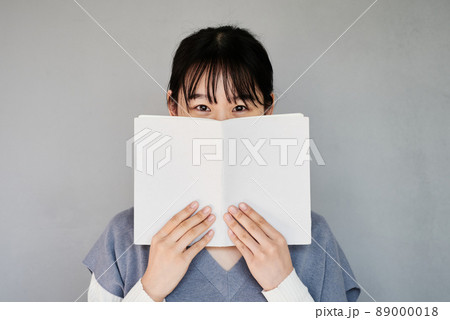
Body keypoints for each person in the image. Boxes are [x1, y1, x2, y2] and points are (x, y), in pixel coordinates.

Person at [83, 25, 361, 302]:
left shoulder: (315, 238)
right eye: (202, 108)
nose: (221, 127)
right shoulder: (122, 237)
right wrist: (150, 288)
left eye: (240, 108)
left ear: (268, 110)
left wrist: (285, 286)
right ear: (173, 108)